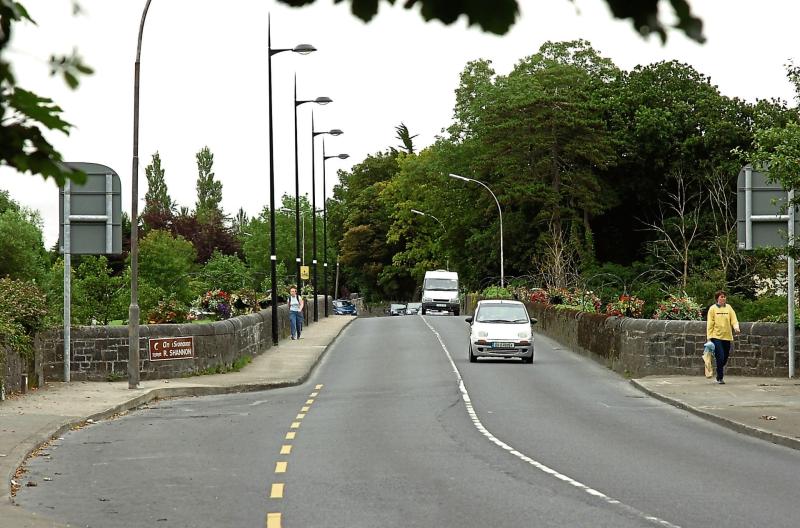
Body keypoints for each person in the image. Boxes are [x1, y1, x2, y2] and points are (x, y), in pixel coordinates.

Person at [706, 290, 740, 384]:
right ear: (717, 298)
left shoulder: (729, 308)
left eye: (724, 297)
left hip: (727, 336)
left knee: (725, 358)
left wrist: (736, 327)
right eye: (721, 297)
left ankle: (719, 368)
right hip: (716, 336)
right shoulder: (712, 309)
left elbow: (734, 319)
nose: (723, 298)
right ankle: (720, 377)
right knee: (720, 357)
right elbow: (710, 323)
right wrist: (709, 337)